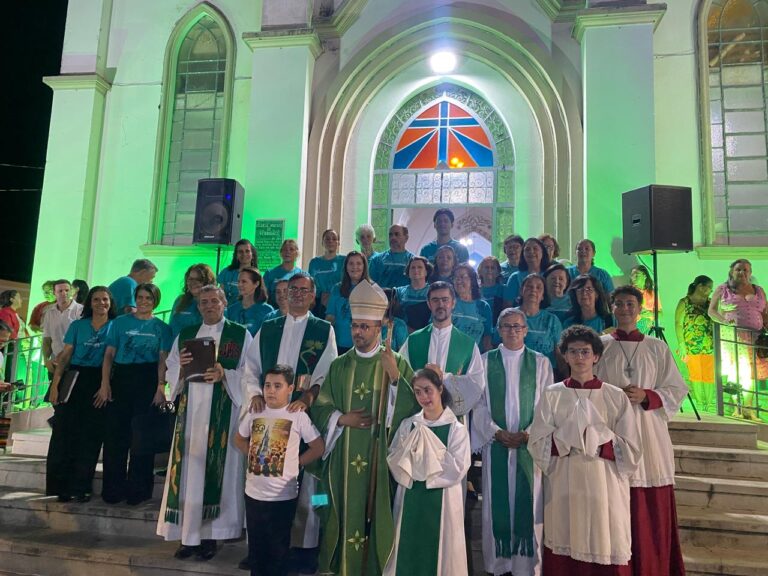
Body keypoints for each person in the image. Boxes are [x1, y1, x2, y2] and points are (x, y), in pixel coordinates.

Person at [310, 280, 419, 575]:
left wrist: (396, 380)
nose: (357, 332)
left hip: (379, 461)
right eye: (355, 326)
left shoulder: (395, 363)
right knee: (334, 511)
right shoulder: (339, 365)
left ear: (380, 328)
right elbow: (319, 407)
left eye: (365, 327)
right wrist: (340, 419)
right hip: (340, 460)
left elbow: (413, 413)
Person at [244, 271, 338, 573]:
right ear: (283, 294)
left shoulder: (323, 330)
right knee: (264, 481)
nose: (296, 294)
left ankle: (305, 548)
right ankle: (260, 549)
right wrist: (257, 394)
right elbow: (251, 366)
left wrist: (309, 398)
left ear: (313, 295)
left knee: (309, 484)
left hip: (301, 414)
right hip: (270, 415)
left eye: (303, 290)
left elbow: (327, 370)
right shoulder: (268, 327)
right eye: (291, 289)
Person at [529, 325, 641, 575]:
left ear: (596, 356)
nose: (579, 358)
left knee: (604, 535)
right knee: (565, 538)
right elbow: (537, 444)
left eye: (585, 352)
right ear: (565, 356)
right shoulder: (552, 395)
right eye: (573, 352)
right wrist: (569, 435)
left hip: (605, 485)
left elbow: (632, 448)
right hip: (564, 485)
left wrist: (598, 438)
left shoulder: (615, 396)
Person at [595, 285, 688, 576]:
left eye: (630, 304)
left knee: (649, 509)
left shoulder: (657, 347)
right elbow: (589, 390)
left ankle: (652, 567)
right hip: (614, 431)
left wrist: (647, 395)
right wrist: (614, 397)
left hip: (649, 434)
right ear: (611, 307)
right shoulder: (600, 346)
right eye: (619, 304)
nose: (624, 309)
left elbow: (676, 388)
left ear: (639, 309)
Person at [157, 285, 253, 561]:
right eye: (203, 302)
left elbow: (250, 371)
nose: (209, 306)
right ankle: (189, 538)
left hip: (223, 413)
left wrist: (226, 372)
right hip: (192, 414)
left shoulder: (240, 334)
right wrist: (182, 367)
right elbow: (171, 367)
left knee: (216, 475)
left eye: (214, 301)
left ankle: (211, 536)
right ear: (198, 307)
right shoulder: (186, 335)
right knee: (189, 473)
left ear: (225, 303)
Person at [472, 308, 552, 576]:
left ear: (526, 330)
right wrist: (495, 432)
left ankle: (526, 567)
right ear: (498, 329)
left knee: (528, 503)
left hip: (528, 447)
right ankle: (498, 565)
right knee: (496, 506)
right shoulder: (484, 361)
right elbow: (479, 404)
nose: (513, 331)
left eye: (518, 326)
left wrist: (529, 432)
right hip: (497, 446)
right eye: (507, 326)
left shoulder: (540, 363)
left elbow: (546, 405)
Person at [234, 364, 324, 576]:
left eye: (277, 386)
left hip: (283, 496)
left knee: (278, 550)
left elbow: (318, 447)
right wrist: (255, 455)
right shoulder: (256, 412)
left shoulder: (297, 415)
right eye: (267, 385)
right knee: (256, 549)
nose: (271, 391)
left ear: (290, 389)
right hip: (254, 493)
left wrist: (295, 463)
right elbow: (238, 438)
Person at [384, 368, 471, 576]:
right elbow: (395, 458)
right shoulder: (409, 425)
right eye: (418, 392)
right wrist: (421, 465)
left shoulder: (456, 429)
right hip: (410, 497)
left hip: (443, 500)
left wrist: (421, 466)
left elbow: (458, 467)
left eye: (428, 390)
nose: (424, 397)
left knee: (442, 553)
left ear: (440, 389)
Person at [100, 283, 172, 505]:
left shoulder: (162, 328)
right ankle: (113, 489)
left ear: (155, 301)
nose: (143, 301)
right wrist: (105, 384)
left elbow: (162, 360)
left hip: (147, 381)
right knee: (116, 437)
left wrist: (161, 388)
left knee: (142, 438)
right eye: (140, 297)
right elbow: (109, 356)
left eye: (148, 298)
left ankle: (138, 491)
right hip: (121, 380)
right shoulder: (119, 324)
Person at [46, 286, 117, 502]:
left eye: (105, 299)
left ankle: (81, 487)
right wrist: (56, 384)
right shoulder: (78, 326)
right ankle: (62, 487)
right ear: (89, 303)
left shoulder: (116, 327)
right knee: (65, 434)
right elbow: (65, 355)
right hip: (75, 380)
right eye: (96, 299)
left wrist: (106, 385)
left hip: (100, 383)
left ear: (110, 302)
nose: (101, 303)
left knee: (91, 436)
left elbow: (111, 358)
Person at [400, 281, 486, 420]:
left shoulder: (467, 344)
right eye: (435, 300)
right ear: (429, 304)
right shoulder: (413, 341)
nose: (440, 305)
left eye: (445, 300)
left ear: (453, 303)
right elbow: (402, 377)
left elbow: (477, 384)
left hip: (452, 420)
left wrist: (444, 378)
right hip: (419, 418)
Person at [708, 259, 768, 418]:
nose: (742, 273)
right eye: (738, 269)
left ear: (750, 272)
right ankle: (737, 408)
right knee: (737, 372)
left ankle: (749, 407)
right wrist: (724, 321)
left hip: (755, 338)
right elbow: (711, 311)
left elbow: (765, 314)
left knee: (751, 373)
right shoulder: (723, 289)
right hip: (733, 337)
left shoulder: (759, 290)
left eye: (746, 270)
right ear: (732, 271)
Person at [675, 275, 715, 411]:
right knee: (696, 374)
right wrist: (681, 344)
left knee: (709, 374)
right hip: (691, 344)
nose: (710, 290)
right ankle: (699, 402)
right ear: (699, 286)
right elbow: (678, 324)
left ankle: (709, 403)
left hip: (709, 344)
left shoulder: (710, 303)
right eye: (708, 287)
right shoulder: (685, 302)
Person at [327, 251, 371, 354]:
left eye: (359, 263)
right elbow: (330, 317)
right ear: (346, 267)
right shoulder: (337, 289)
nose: (354, 267)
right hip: (338, 344)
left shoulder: (372, 290)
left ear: (364, 267)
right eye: (351, 263)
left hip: (362, 345)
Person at [517, 274, 563, 371]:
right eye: (529, 286)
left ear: (543, 296)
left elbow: (559, 354)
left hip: (545, 374)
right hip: (515, 372)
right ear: (521, 291)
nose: (533, 290)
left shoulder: (552, 320)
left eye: (538, 288)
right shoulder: (509, 316)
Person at [42, 279, 84, 383]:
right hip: (55, 362)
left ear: (71, 291)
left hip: (74, 361)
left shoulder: (80, 310)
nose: (64, 293)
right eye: (60, 291)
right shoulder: (49, 312)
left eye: (66, 290)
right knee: (54, 395)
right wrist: (46, 360)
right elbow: (47, 338)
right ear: (54, 293)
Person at [452, 263, 493, 352]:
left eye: (463, 277)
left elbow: (487, 337)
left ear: (472, 280)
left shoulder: (483, 306)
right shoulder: (448, 303)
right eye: (455, 277)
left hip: (474, 357)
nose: (458, 280)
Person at [169, 264, 215, 338]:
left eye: (199, 279)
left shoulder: (214, 304)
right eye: (190, 279)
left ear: (208, 282)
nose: (193, 282)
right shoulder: (179, 300)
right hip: (176, 347)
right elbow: (170, 327)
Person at [225, 267, 274, 336]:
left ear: (256, 284)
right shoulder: (231, 310)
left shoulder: (267, 311)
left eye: (244, 281)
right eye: (238, 281)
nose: (240, 285)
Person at [308, 229, 346, 315]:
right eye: (327, 239)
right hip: (318, 303)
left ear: (338, 242)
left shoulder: (344, 260)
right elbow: (311, 284)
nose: (330, 241)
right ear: (322, 242)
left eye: (334, 239)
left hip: (338, 301)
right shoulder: (314, 262)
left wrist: (333, 296)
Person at [504, 237, 551, 306]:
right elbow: (507, 306)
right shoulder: (515, 277)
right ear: (523, 254)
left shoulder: (551, 275)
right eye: (527, 249)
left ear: (542, 252)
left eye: (535, 249)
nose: (531, 252)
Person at [368, 224, 414, 289]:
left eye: (397, 234)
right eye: (390, 235)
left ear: (406, 238)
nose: (393, 237)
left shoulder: (413, 261)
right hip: (382, 298)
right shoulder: (376, 260)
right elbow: (370, 285)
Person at [395, 255, 433, 332]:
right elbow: (396, 316)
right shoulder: (399, 292)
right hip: (404, 333)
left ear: (426, 271)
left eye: (420, 267)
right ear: (408, 272)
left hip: (427, 333)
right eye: (413, 267)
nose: (416, 270)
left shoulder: (433, 291)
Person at [217, 239, 259, 305]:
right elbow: (219, 295)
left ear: (252, 255)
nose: (244, 254)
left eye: (247, 251)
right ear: (236, 255)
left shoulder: (257, 275)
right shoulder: (226, 272)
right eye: (240, 252)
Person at [630, 264, 659, 334]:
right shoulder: (630, 292)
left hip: (650, 328)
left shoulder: (652, 293)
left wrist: (651, 314)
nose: (634, 278)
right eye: (632, 276)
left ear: (644, 276)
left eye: (636, 275)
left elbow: (661, 313)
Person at [478, 256, 505, 325]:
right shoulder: (474, 290)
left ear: (498, 272)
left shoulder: (504, 289)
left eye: (492, 268)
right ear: (480, 271)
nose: (489, 270)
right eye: (486, 267)